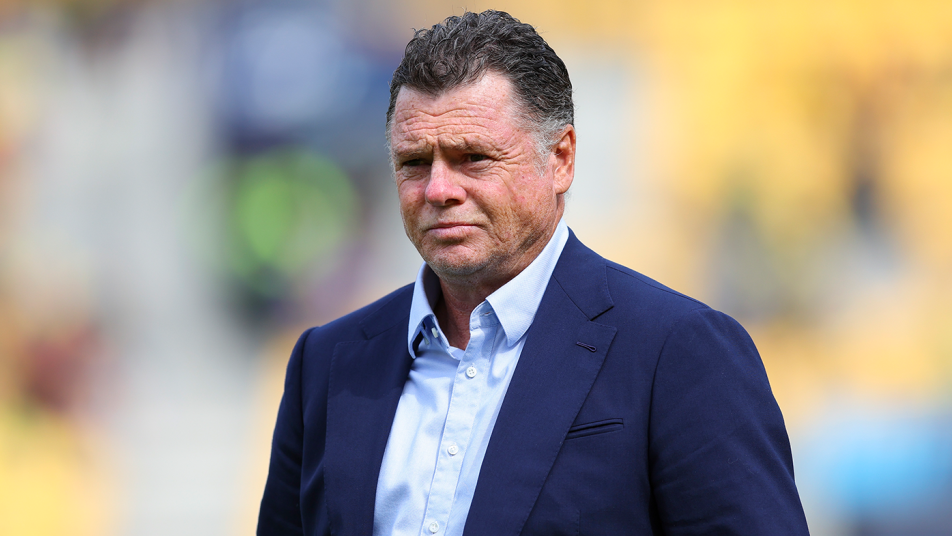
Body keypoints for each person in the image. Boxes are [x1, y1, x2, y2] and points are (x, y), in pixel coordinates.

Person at [258, 10, 809, 536]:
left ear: (561, 159)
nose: (439, 190)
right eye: (414, 163)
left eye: (474, 158)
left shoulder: (680, 351)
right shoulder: (326, 363)